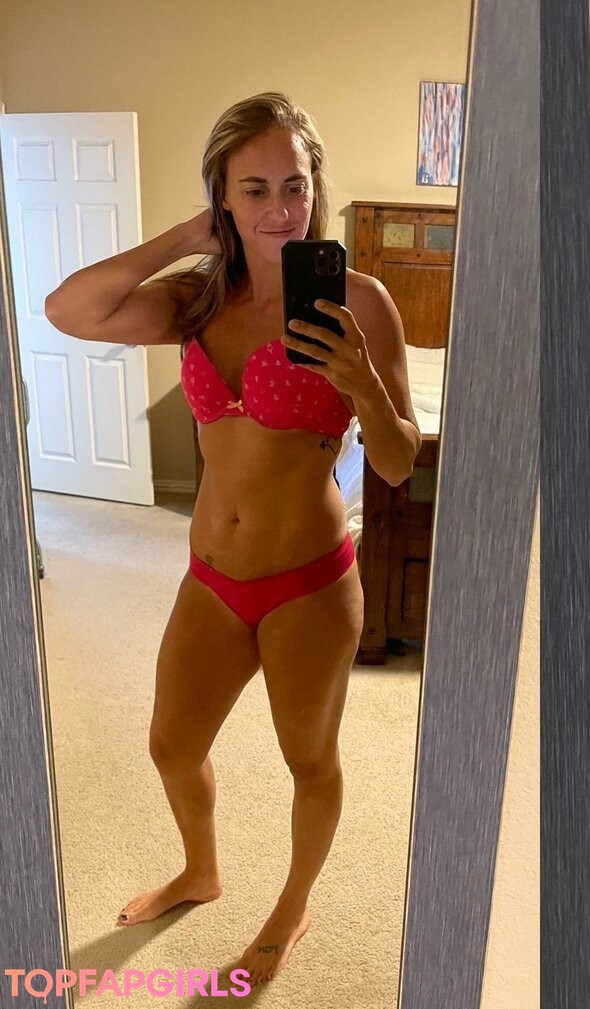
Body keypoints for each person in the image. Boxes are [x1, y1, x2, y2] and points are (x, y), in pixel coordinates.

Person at [44, 92, 421, 985]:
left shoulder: (361, 302)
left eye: (295, 185)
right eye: (255, 189)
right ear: (222, 195)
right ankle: (200, 870)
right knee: (170, 745)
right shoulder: (196, 297)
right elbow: (68, 310)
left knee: (308, 758)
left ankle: (292, 908)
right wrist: (187, 237)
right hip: (210, 577)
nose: (281, 209)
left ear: (316, 185)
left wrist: (363, 386)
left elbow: (399, 461)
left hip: (309, 582)